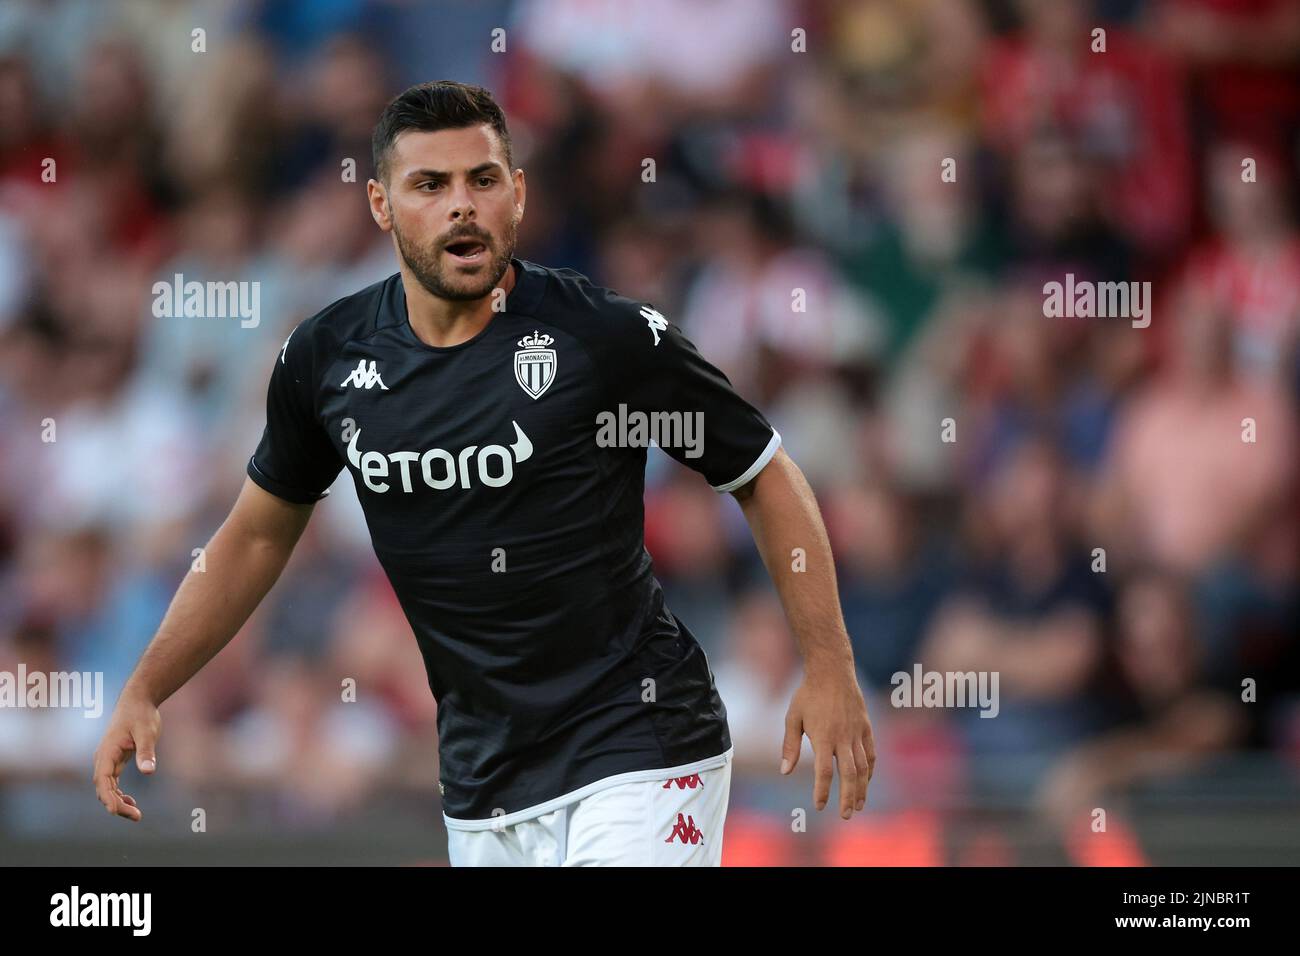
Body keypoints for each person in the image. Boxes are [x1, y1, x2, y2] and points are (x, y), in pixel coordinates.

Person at [90, 80, 874, 866]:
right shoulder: (326, 359)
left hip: (639, 742)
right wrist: (147, 685)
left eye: (483, 180)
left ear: (518, 194)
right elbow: (255, 536)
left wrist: (830, 664)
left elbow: (763, 475)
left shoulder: (605, 338)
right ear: (380, 205)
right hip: (484, 780)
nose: (461, 205)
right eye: (430, 185)